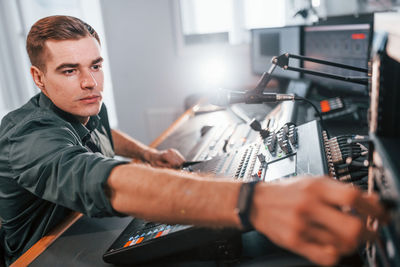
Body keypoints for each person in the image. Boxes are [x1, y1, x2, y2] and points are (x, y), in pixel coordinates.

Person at [0, 15, 386, 266]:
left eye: (95, 66)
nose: (90, 82)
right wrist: (256, 202)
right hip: (44, 254)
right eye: (69, 70)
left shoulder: (84, 101)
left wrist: (149, 154)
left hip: (85, 229)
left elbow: (104, 134)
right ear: (38, 77)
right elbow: (97, 176)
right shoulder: (26, 135)